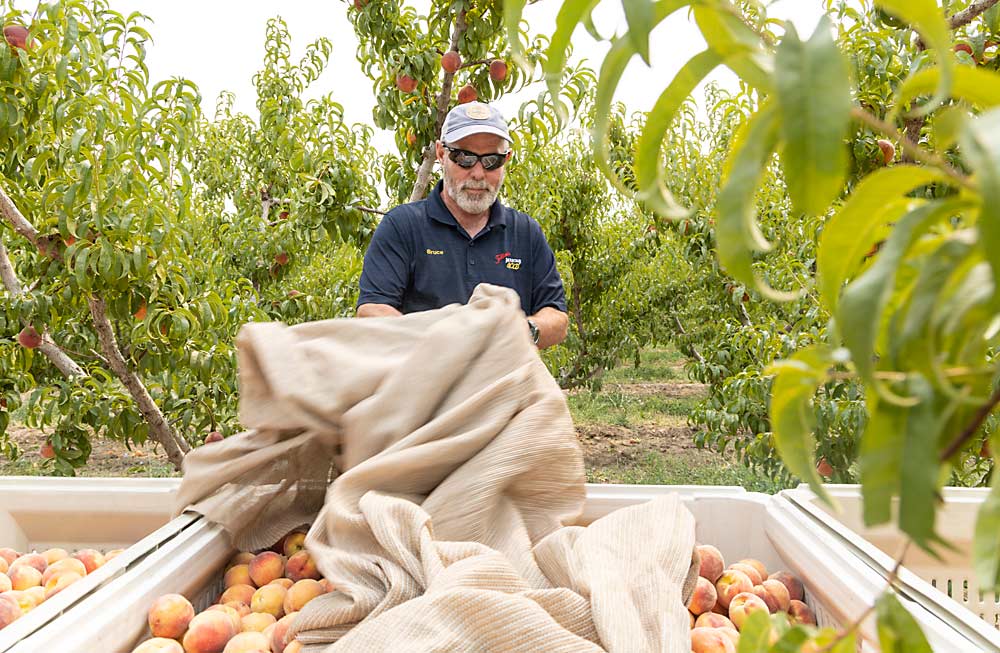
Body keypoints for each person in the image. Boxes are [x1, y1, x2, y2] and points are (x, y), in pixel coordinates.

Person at [356, 102, 569, 348]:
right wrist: (441, 345)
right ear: (441, 153)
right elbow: (372, 310)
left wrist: (523, 330)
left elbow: (557, 318)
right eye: (465, 158)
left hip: (502, 380)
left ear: (506, 159)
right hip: (425, 377)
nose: (478, 173)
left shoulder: (525, 233)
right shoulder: (403, 226)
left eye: (491, 160)